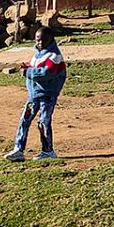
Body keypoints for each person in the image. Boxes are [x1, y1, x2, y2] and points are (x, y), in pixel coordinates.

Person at [4, 26, 67, 161]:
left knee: (43, 121)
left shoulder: (55, 56)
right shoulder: (38, 53)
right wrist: (28, 67)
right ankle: (18, 149)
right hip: (34, 95)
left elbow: (46, 73)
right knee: (25, 120)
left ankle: (48, 151)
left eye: (43, 40)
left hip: (47, 95)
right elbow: (37, 67)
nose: (39, 43)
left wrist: (28, 72)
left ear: (50, 40)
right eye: (37, 40)